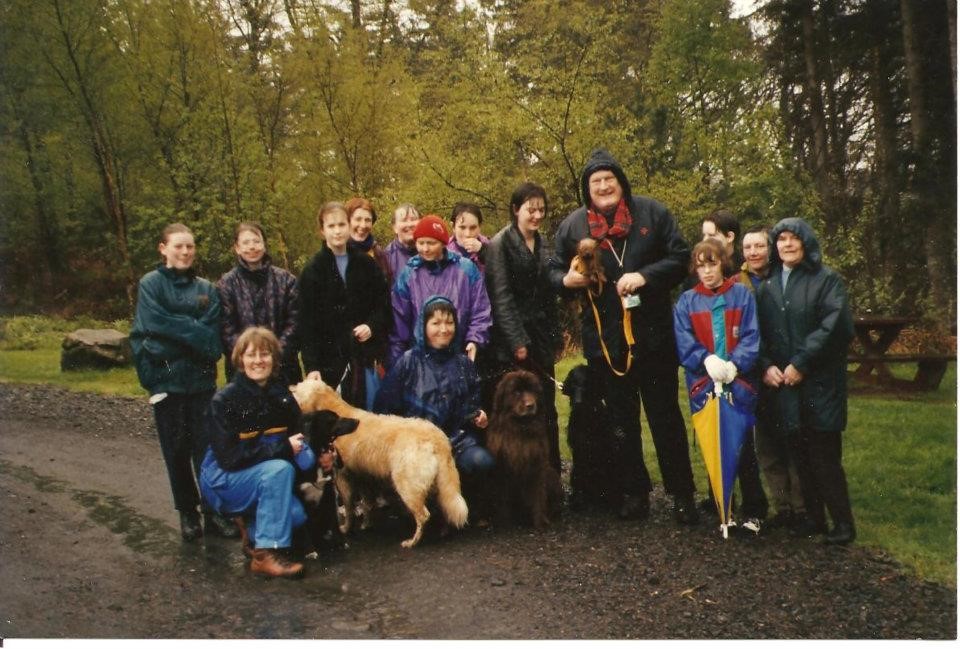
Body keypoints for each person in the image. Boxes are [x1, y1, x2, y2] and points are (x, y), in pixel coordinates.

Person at [547, 148, 698, 524]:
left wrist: (645, 277)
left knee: (665, 418)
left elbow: (681, 258)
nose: (603, 186)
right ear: (587, 189)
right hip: (606, 343)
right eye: (595, 182)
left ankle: (682, 495)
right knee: (621, 421)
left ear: (621, 182)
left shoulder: (653, 213)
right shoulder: (573, 226)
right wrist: (566, 280)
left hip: (654, 337)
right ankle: (634, 492)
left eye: (608, 179)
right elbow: (550, 271)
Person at [130, 223, 238, 541]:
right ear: (163, 248)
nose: (185, 252)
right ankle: (187, 515)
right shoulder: (150, 284)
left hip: (202, 384)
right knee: (175, 451)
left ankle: (213, 512)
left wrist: (171, 334)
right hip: (167, 384)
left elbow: (211, 343)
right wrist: (192, 329)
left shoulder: (206, 289)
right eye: (178, 246)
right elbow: (150, 330)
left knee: (207, 451)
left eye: (190, 246)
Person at [755, 217, 856, 545]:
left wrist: (802, 362)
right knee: (799, 454)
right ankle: (814, 519)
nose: (786, 244)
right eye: (780, 239)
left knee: (825, 456)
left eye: (792, 239)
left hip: (820, 383)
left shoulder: (826, 280)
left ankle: (842, 523)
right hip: (785, 385)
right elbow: (759, 332)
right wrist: (766, 365)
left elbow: (835, 327)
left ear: (806, 242)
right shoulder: (768, 285)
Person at [199, 327, 324, 578]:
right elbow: (229, 459)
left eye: (265, 354)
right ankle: (266, 555)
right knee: (280, 468)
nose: (258, 361)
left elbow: (300, 445)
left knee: (295, 515)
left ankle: (252, 531)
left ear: (275, 359)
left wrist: (317, 459)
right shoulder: (224, 401)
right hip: (223, 481)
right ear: (239, 359)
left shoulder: (284, 398)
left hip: (262, 478)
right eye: (251, 355)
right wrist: (283, 449)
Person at [673, 239, 765, 533]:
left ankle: (754, 509)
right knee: (714, 444)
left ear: (723, 263)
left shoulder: (741, 296)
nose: (707, 272)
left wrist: (736, 364)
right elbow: (684, 341)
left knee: (743, 446)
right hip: (704, 382)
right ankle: (724, 507)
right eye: (701, 266)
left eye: (712, 264)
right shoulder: (687, 302)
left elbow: (751, 335)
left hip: (738, 381)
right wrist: (705, 359)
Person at [375, 296, 495, 483]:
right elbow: (384, 410)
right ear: (423, 326)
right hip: (417, 447)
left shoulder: (464, 363)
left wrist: (479, 417)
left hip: (457, 444)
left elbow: (473, 405)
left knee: (482, 461)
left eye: (449, 322)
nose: (443, 329)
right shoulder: (407, 362)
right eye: (436, 323)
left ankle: (471, 506)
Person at [485, 182, 561, 471]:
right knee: (515, 413)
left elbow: (547, 295)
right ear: (516, 210)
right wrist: (517, 341)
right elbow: (500, 297)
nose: (537, 215)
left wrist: (554, 336)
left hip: (541, 337)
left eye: (541, 209)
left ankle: (550, 478)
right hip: (511, 342)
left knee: (546, 409)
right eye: (531, 209)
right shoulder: (500, 244)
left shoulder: (543, 243)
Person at [739, 225, 806, 528]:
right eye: (748, 247)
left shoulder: (786, 277)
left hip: (790, 368)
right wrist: (763, 365)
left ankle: (802, 505)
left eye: (759, 246)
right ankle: (783, 507)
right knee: (766, 443)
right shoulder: (737, 283)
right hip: (757, 369)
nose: (753, 252)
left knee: (794, 440)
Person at [299, 202, 389, 408]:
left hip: (363, 358)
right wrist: (312, 366)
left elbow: (383, 304)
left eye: (341, 224)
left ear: (349, 226)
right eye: (331, 226)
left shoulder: (366, 265)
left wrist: (371, 326)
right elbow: (306, 324)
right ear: (322, 231)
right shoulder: (312, 271)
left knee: (369, 418)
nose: (338, 231)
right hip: (330, 363)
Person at [386, 215, 492, 369]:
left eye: (431, 243)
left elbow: (481, 311)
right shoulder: (409, 273)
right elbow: (398, 320)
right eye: (420, 243)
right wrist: (398, 364)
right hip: (421, 361)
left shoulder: (466, 269)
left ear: (443, 243)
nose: (425, 248)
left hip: (460, 356)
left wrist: (474, 340)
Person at [217, 222, 301, 384]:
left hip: (283, 368)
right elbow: (226, 329)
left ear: (264, 244)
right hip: (242, 370)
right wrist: (251, 357)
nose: (252, 247)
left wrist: (271, 355)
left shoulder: (286, 280)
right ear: (237, 248)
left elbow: (295, 323)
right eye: (246, 243)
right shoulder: (226, 284)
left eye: (256, 241)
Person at [346, 197, 392, 283]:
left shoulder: (378, 253)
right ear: (348, 221)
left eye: (367, 220)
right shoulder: (337, 253)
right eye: (358, 219)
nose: (363, 225)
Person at [447, 202, 490, 273]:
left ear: (480, 227)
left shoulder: (493, 246)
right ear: (453, 227)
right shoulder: (443, 251)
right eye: (462, 227)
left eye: (473, 228)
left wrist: (483, 251)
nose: (468, 234)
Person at [384, 203, 421, 283]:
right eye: (404, 220)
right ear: (395, 227)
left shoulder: (433, 251)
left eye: (413, 219)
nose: (410, 224)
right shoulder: (386, 258)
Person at [701, 208, 743, 274]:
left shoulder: (745, 269)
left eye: (711, 235)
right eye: (704, 235)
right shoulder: (700, 268)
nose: (705, 240)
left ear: (730, 237)